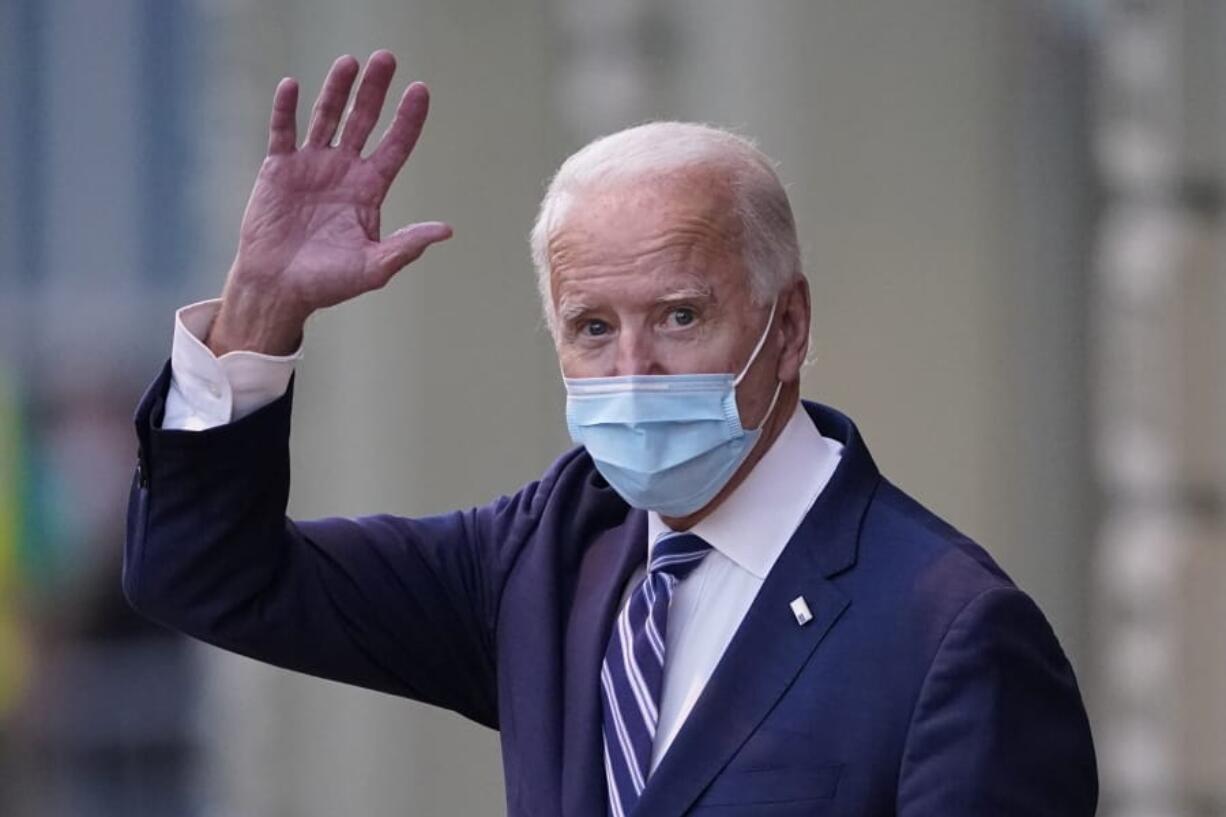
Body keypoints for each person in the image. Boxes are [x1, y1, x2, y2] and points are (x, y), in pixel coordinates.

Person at [124, 51, 1097, 815]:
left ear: (787, 325)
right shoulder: (547, 555)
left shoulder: (949, 634)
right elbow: (208, 573)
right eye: (592, 328)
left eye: (678, 316)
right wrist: (258, 311)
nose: (631, 371)